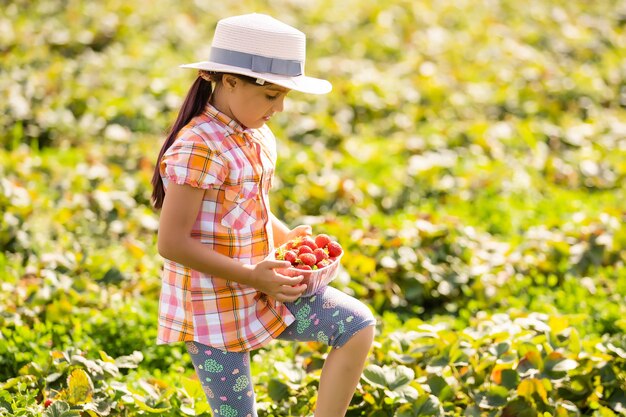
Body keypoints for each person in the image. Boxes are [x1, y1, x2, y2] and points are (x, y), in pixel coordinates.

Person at [151, 13, 376, 417]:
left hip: (261, 288)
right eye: (271, 95)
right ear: (230, 81)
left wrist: (287, 237)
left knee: (356, 326)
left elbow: (247, 209)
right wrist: (253, 274)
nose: (280, 108)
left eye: (285, 96)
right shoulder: (197, 146)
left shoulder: (255, 134)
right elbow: (171, 243)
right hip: (211, 308)